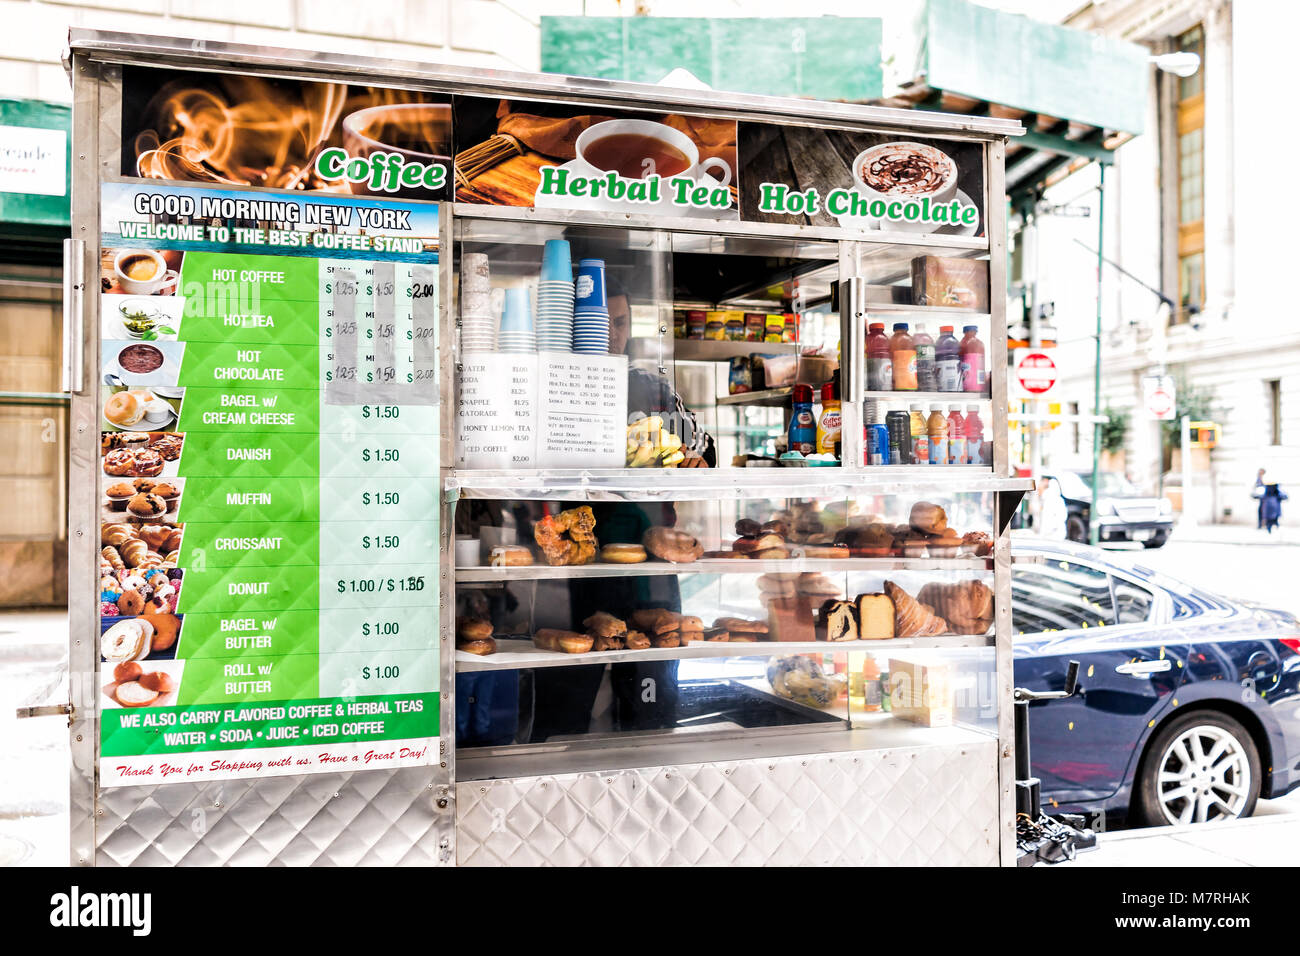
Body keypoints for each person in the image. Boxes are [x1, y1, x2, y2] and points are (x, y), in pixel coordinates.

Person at [607, 275, 716, 466]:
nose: (612, 335)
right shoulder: (552, 383)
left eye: (620, 323)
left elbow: (705, 448)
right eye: (602, 323)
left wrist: (695, 460)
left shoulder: (655, 389)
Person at [1031, 475, 1068, 539]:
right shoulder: (1041, 499)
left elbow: (1057, 520)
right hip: (1044, 537)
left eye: (1041, 482)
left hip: (1053, 537)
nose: (1038, 486)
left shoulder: (1053, 500)